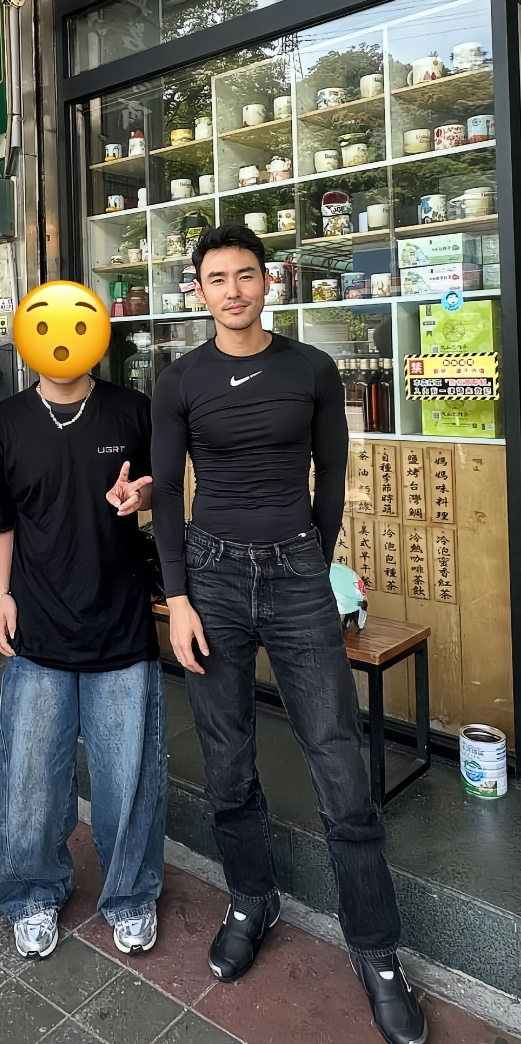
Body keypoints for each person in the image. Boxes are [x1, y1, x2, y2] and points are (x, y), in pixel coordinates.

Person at [151, 226, 426, 1044]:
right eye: (216, 278)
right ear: (199, 290)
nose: (233, 290)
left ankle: (375, 948)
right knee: (227, 756)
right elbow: (165, 490)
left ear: (268, 281)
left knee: (338, 762)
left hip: (298, 571)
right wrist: (179, 597)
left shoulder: (310, 368)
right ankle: (251, 898)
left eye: (246, 275)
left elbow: (331, 472)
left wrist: (315, 557)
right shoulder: (180, 379)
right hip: (211, 578)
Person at [0, 357, 167, 960]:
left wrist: (141, 494)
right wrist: (1, 596)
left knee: (130, 776)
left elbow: (164, 485)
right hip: (37, 628)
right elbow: (0, 521)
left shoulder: (132, 410)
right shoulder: (6, 421)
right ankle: (34, 892)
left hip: (121, 624)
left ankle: (131, 895)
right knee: (30, 776)